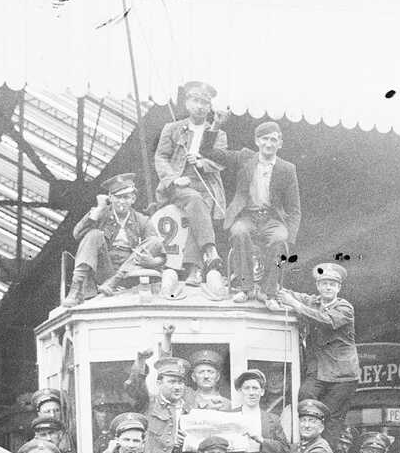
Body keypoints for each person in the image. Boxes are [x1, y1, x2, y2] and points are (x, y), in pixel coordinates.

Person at [151, 80, 231, 290]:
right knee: (195, 200)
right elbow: (161, 157)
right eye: (196, 100)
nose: (200, 106)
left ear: (210, 106)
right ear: (187, 103)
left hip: (206, 184)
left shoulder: (218, 133)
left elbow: (221, 160)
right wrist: (174, 179)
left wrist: (203, 163)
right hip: (178, 184)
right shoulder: (172, 128)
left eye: (205, 102)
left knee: (200, 207)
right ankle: (210, 250)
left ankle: (194, 269)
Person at [275, 263, 360, 453]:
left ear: (339, 288)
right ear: (318, 286)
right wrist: (273, 292)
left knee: (331, 418)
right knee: (304, 396)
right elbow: (285, 292)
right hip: (319, 372)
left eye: (332, 284)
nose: (328, 287)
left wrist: (295, 304)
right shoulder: (312, 301)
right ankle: (305, 445)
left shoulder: (345, 308)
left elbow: (325, 320)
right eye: (324, 284)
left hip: (342, 377)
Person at [223, 121, 300, 301]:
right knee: (239, 232)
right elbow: (216, 154)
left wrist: (290, 235)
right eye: (265, 139)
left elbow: (295, 208)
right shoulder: (244, 158)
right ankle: (246, 288)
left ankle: (267, 292)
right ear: (257, 141)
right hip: (247, 216)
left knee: (280, 239)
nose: (269, 144)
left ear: (280, 143)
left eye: (274, 140)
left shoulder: (287, 169)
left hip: (271, 220)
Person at [67, 171, 155, 301]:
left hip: (129, 271)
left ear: (133, 199)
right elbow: (77, 234)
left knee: (152, 241)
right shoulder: (100, 214)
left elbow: (156, 246)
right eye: (117, 197)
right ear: (110, 197)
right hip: (105, 270)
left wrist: (151, 260)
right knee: (94, 234)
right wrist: (98, 210)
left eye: (126, 197)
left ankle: (115, 282)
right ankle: (76, 287)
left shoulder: (142, 220)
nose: (121, 202)